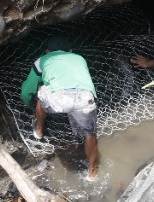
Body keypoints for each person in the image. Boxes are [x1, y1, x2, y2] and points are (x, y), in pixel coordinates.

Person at [20, 36, 100, 176]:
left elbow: (27, 90)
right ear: (70, 50)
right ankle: (92, 171)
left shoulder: (41, 61)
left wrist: (28, 103)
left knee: (41, 92)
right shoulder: (79, 58)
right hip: (85, 99)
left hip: (60, 99)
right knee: (90, 134)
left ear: (47, 51)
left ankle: (38, 130)